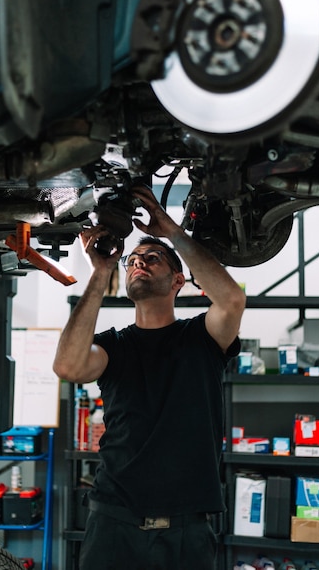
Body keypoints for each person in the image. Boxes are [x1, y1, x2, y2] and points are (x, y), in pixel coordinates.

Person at [53, 184, 246, 570]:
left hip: (186, 529)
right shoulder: (114, 347)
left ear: (178, 281)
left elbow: (232, 300)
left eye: (153, 258)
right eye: (133, 261)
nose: (139, 263)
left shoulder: (201, 338)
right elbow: (69, 367)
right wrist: (100, 271)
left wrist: (172, 233)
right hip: (113, 520)